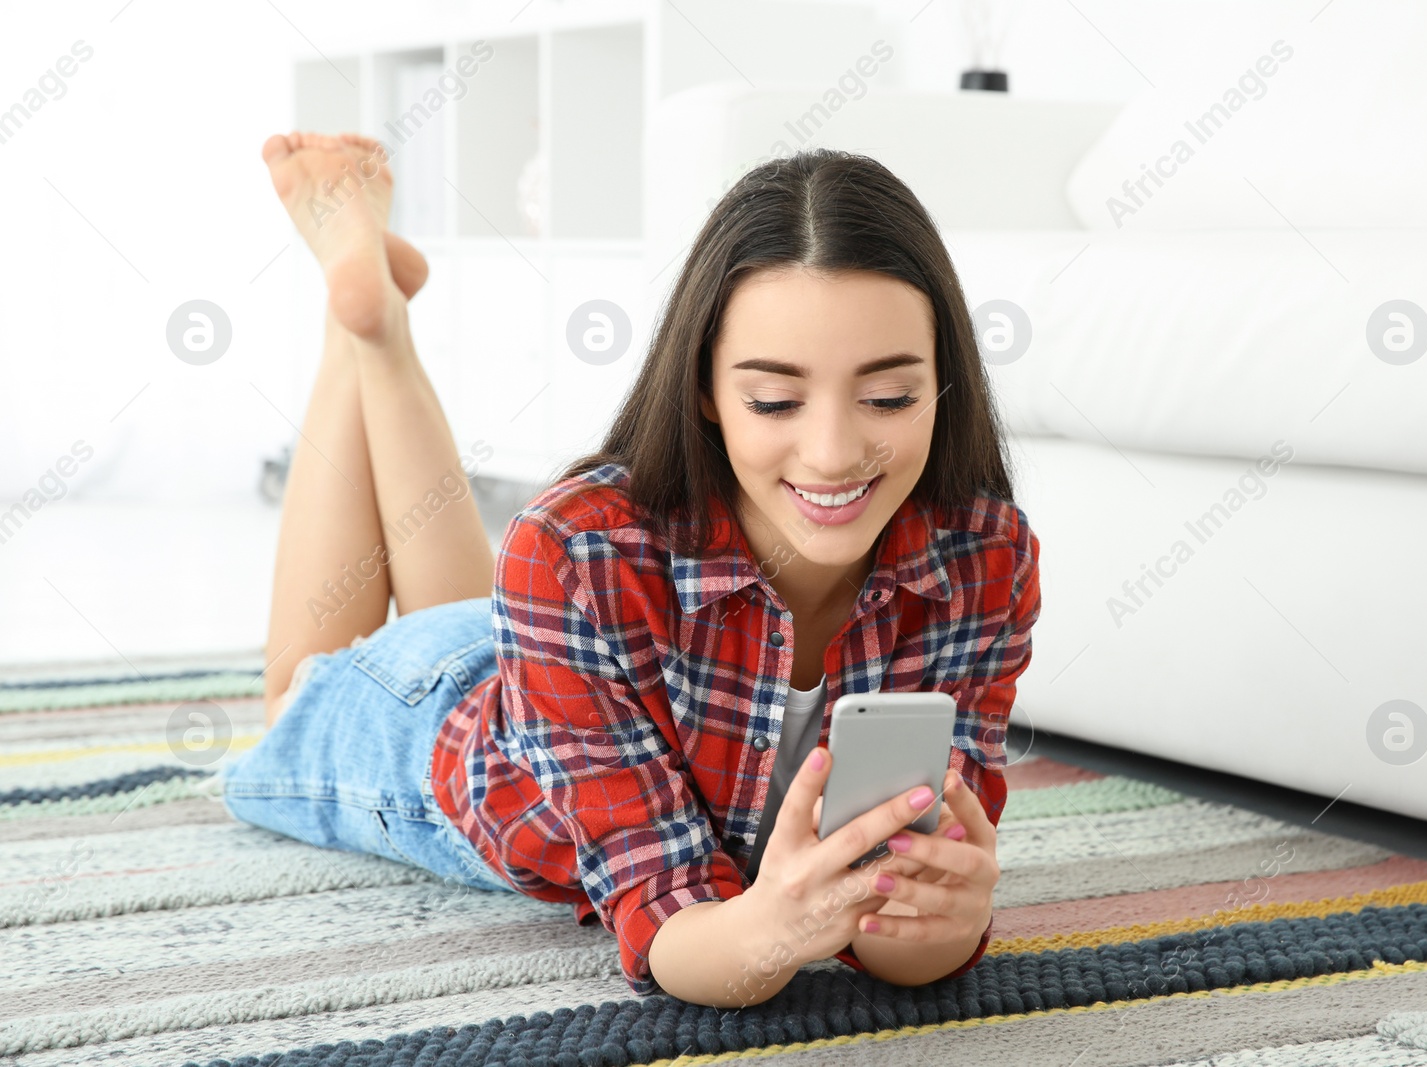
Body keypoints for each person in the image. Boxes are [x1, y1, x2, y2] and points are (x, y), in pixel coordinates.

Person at [220, 131, 1042, 1009]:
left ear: (944, 382)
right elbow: (676, 932)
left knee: (470, 599)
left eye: (890, 397)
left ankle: (377, 321)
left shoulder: (984, 556)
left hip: (549, 654)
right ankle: (358, 331)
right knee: (288, 700)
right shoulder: (572, 551)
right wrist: (780, 926)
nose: (835, 452)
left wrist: (945, 920)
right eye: (773, 401)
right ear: (703, 389)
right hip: (442, 736)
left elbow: (907, 936)